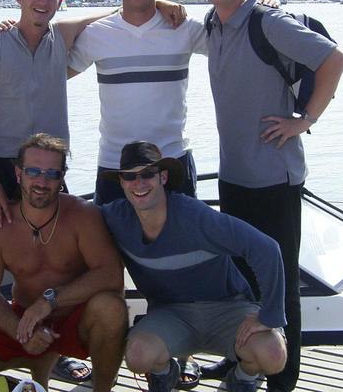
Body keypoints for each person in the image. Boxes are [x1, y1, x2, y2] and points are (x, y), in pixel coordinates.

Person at [199, 0, 343, 392]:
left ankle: (283, 381)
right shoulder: (212, 23)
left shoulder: (268, 22)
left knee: (280, 286)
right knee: (242, 279)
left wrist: (304, 120)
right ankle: (239, 359)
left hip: (273, 178)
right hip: (234, 175)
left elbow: (334, 59)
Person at [0, 0, 112, 382]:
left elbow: (110, 13)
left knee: (52, 261)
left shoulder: (61, 40)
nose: (42, 1)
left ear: (60, 1)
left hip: (47, 171)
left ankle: (50, 347)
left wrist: (164, 4)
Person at [0, 133, 127, 392]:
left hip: (74, 315)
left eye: (51, 174)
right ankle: (37, 358)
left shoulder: (83, 216)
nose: (42, 181)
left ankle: (102, 388)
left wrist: (49, 301)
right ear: (19, 174)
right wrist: (20, 330)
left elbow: (110, 275)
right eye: (33, 172)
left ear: (62, 177)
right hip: (25, 316)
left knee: (112, 308)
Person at [99, 141, 287, 392]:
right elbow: (73, 221)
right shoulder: (114, 218)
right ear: (121, 183)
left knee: (273, 355)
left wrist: (269, 315)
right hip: (171, 314)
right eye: (130, 177)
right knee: (137, 355)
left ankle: (244, 377)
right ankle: (164, 373)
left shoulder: (195, 215)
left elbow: (266, 249)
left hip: (228, 308)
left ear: (163, 177)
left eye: (147, 174)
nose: (139, 183)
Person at [68, 0, 208, 206]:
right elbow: (50, 75)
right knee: (110, 246)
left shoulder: (184, 28)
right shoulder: (96, 34)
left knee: (181, 246)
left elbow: (235, 50)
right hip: (115, 166)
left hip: (172, 162)